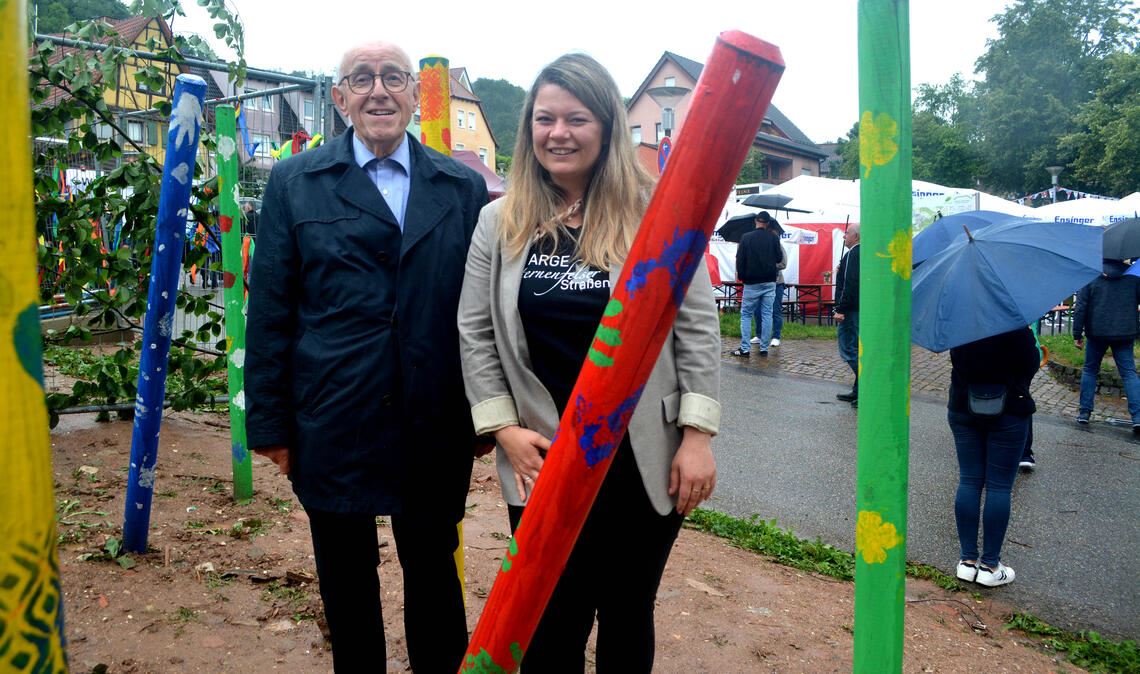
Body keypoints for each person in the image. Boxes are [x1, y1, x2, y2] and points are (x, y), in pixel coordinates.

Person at [457, 53, 720, 671]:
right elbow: (475, 330)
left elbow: (696, 325)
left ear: (605, 126)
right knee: (553, 619)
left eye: (576, 119)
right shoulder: (500, 220)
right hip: (542, 456)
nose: (558, 133)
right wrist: (503, 429)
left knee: (628, 610)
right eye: (544, 119)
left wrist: (697, 436)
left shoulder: (657, 211)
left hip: (642, 455)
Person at [244, 41, 489, 672]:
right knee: (345, 578)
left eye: (392, 78)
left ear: (413, 95)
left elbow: (481, 311)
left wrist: (487, 414)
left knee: (434, 572)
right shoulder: (296, 183)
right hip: (333, 415)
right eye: (361, 79)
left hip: (433, 418)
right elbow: (269, 307)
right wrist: (269, 425)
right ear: (339, 98)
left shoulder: (461, 187)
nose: (378, 90)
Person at [947, 327, 1039, 587]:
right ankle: (990, 566)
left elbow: (958, 361)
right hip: (1009, 411)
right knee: (999, 487)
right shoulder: (1014, 324)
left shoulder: (961, 323)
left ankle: (967, 562)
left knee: (969, 481)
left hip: (963, 407)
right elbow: (1030, 364)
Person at [1072, 258, 1140, 431]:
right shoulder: (1133, 276)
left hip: (1097, 331)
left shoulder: (1091, 275)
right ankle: (1138, 417)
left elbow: (1081, 306)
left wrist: (1077, 333)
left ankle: (1084, 413)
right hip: (1124, 332)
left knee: (1090, 370)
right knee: (1129, 374)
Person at [732, 212, 783, 357]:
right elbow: (779, 258)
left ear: (756, 221)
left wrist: (742, 277)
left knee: (746, 315)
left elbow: (740, 260)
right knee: (767, 314)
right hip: (769, 281)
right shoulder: (773, 237)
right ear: (768, 223)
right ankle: (764, 348)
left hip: (751, 282)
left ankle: (745, 349)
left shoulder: (746, 237)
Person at [751, 212, 787, 348]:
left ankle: (776, 336)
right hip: (760, 282)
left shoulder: (778, 245)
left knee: (775, 310)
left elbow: (783, 263)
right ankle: (759, 334)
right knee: (757, 310)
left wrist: (768, 266)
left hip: (776, 283)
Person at [834, 224, 860, 404]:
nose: (844, 236)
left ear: (856, 236)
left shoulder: (852, 254)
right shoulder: (861, 253)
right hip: (857, 308)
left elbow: (850, 284)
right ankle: (859, 390)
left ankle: (866, 387)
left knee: (849, 348)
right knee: (855, 347)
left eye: (847, 233)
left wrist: (841, 309)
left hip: (850, 310)